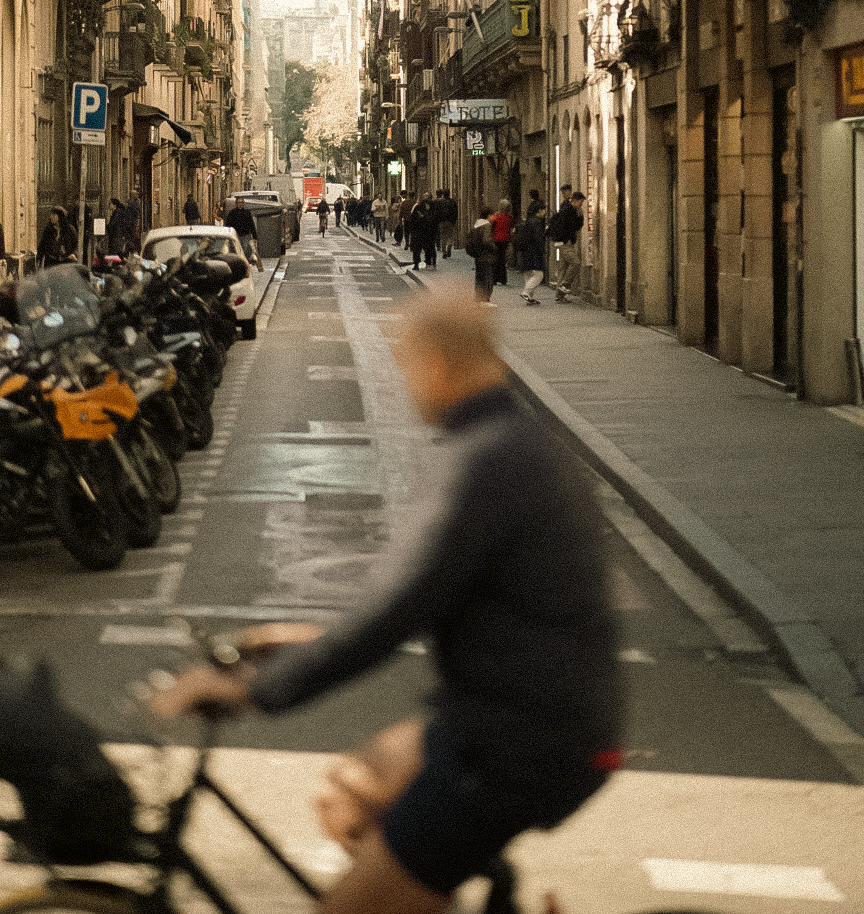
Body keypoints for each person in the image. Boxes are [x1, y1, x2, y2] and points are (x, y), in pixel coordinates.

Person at [150, 285, 621, 914]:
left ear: (433, 364)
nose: (405, 383)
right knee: (349, 798)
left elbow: (399, 609)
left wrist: (254, 689)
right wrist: (301, 641)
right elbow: (423, 597)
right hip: (519, 716)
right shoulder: (512, 443)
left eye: (405, 365)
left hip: (518, 741)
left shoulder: (489, 462)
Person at [553, 192, 586, 303]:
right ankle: (565, 284)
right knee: (575, 262)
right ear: (575, 201)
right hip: (565, 243)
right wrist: (580, 217)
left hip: (563, 242)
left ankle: (559, 296)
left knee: (563, 268)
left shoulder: (567, 209)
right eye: (581, 202)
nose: (581, 204)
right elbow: (575, 227)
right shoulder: (569, 210)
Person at [516, 200, 547, 305]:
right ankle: (526, 293)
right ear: (539, 211)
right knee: (539, 274)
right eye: (544, 210)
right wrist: (542, 250)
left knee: (529, 275)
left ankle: (529, 297)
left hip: (525, 251)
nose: (545, 212)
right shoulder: (537, 222)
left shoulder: (527, 221)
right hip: (533, 251)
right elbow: (538, 238)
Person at [467, 207, 497, 302]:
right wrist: (494, 247)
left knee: (479, 278)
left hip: (478, 256)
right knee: (488, 277)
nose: (493, 217)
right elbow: (487, 240)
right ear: (489, 216)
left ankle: (478, 298)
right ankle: (485, 299)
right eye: (493, 215)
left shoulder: (476, 225)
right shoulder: (486, 225)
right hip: (486, 256)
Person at [228, 196, 264, 272]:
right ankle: (239, 265)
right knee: (237, 250)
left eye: (241, 202)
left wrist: (254, 235)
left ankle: (244, 265)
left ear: (243, 204)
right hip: (236, 235)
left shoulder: (247, 213)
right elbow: (228, 225)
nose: (240, 204)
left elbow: (251, 224)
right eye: (239, 202)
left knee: (245, 250)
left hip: (245, 235)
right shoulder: (232, 213)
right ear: (236, 204)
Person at [409, 197, 437, 272]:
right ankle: (417, 264)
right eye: (426, 205)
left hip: (423, 234)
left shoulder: (429, 212)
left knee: (422, 250)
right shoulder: (419, 210)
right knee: (421, 250)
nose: (427, 207)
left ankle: (422, 263)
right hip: (422, 234)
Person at [491, 199, 512, 286]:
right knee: (502, 259)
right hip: (505, 240)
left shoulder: (495, 216)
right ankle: (503, 279)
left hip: (496, 239)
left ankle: (494, 279)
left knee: (495, 259)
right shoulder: (509, 217)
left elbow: (491, 226)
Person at [436, 189, 458, 259]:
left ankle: (444, 251)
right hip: (450, 222)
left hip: (441, 222)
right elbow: (455, 212)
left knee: (443, 237)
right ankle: (449, 245)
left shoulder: (440, 202)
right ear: (449, 194)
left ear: (443, 194)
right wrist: (454, 221)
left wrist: (438, 221)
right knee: (450, 236)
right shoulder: (453, 202)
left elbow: (437, 212)